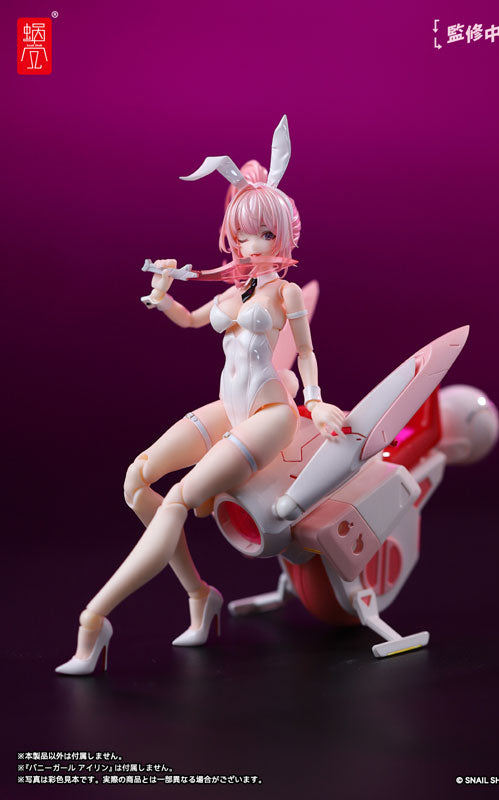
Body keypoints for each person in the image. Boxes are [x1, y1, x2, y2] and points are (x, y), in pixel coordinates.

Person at [56, 116, 345, 675]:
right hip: (230, 410)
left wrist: (315, 398)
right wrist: (163, 292)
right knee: (136, 480)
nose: (250, 245)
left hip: (270, 414)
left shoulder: (284, 293)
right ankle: (200, 595)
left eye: (263, 234)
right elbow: (191, 321)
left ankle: (94, 619)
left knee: (177, 500)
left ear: (283, 235)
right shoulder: (236, 288)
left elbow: (306, 352)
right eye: (242, 234)